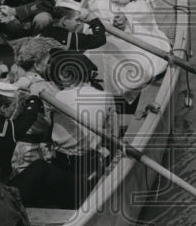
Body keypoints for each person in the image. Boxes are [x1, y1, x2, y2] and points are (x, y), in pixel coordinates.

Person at [10, 50, 116, 210]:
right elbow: (111, 133)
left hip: (63, 161)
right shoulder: (107, 96)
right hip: (91, 160)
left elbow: (45, 123)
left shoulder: (59, 97)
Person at [40, 0, 107, 52]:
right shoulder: (70, 38)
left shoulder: (45, 28)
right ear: (65, 20)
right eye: (77, 20)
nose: (79, 23)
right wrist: (94, 20)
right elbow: (100, 40)